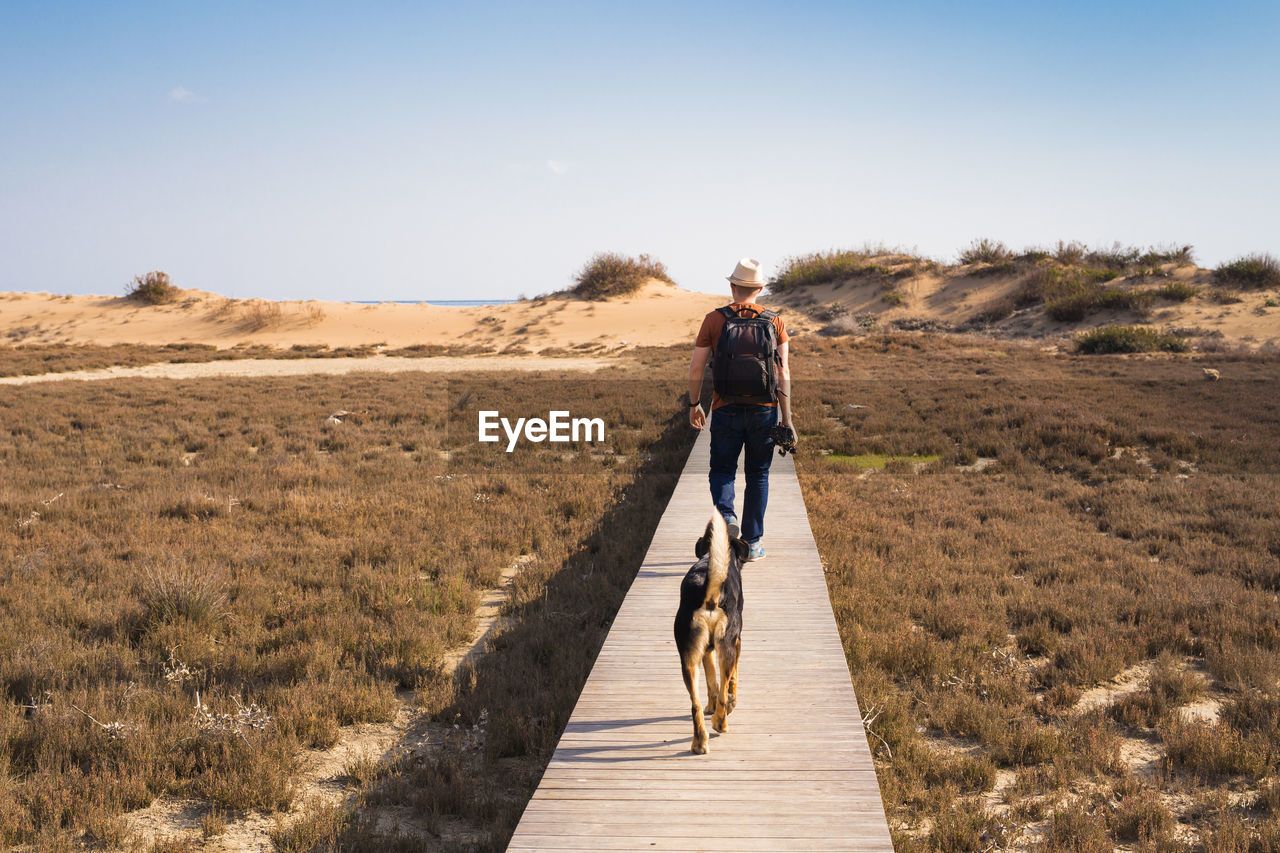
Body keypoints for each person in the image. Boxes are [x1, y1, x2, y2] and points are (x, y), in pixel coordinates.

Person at [688, 258, 794, 561]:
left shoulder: (713, 319)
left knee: (722, 469)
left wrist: (695, 404)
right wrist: (786, 419)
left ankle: (726, 516)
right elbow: (783, 371)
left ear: (732, 286)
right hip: (764, 409)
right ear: (760, 288)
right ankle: (753, 543)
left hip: (725, 407)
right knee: (759, 474)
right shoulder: (776, 321)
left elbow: (697, 367)